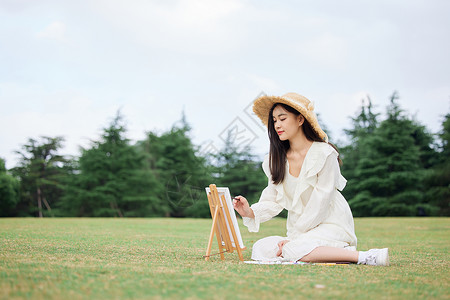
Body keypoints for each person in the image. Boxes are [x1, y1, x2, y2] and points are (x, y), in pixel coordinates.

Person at [233, 92, 389, 266]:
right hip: (299, 233)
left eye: (282, 118)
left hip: (331, 223)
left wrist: (295, 238)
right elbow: (273, 199)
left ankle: (364, 256)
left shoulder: (325, 153)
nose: (277, 125)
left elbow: (321, 200)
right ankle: (328, 253)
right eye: (274, 120)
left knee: (292, 249)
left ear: (300, 120)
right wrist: (249, 212)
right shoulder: (275, 159)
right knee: (261, 248)